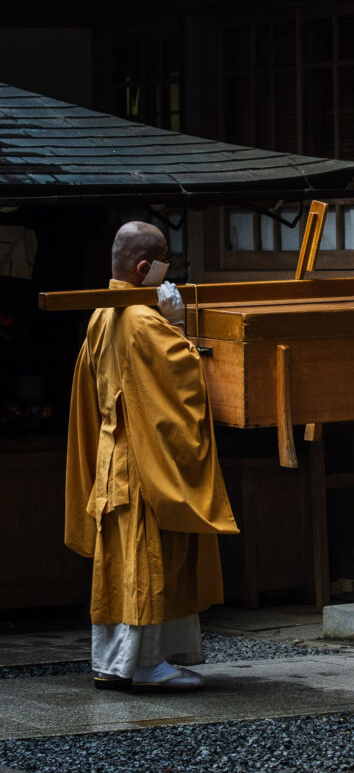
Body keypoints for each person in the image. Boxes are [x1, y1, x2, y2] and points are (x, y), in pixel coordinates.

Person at [65, 221, 239, 692]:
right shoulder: (144, 320)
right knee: (146, 559)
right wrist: (179, 327)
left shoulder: (103, 311)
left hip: (113, 457)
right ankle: (142, 664)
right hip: (143, 460)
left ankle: (114, 660)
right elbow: (184, 384)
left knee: (121, 563)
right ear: (145, 267)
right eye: (164, 265)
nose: (168, 274)